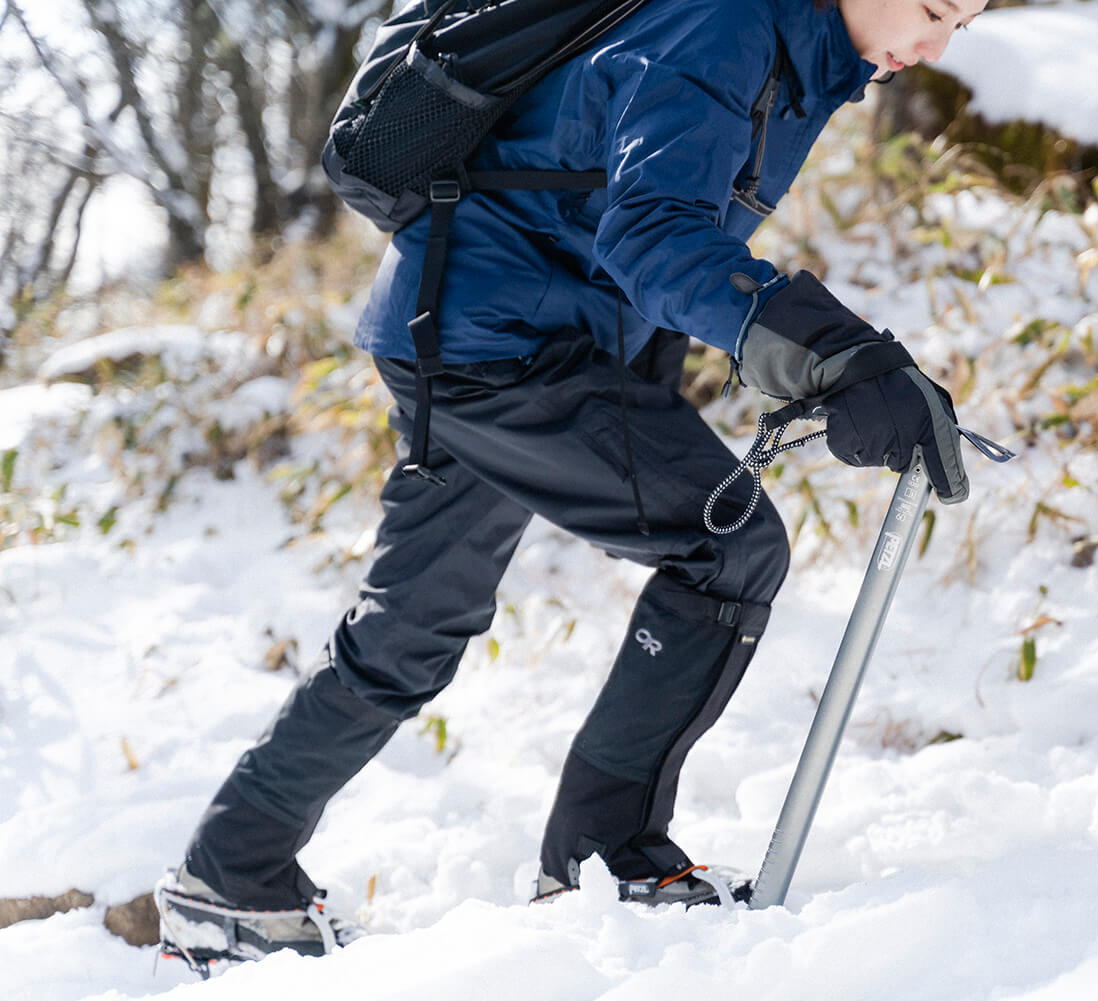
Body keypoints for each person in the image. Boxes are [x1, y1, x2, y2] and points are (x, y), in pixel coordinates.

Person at [156, 0, 987, 971]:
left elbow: (614, 206)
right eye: (932, 7)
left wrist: (718, 366)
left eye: (959, 26)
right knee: (728, 548)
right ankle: (606, 859)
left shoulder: (791, 52)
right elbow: (651, 235)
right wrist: (832, 355)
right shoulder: (728, 26)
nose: (931, 46)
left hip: (462, 325)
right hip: (500, 341)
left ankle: (231, 874)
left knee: (412, 626)